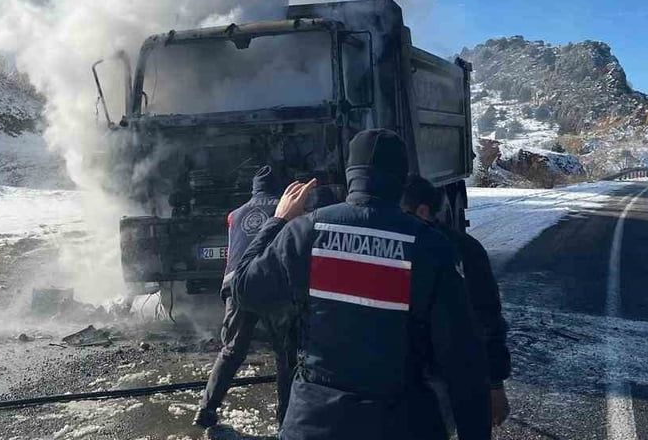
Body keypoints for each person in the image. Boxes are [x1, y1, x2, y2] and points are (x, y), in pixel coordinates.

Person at [232, 129, 492, 440]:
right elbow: (462, 358)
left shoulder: (304, 233)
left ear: (351, 173)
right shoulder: (430, 246)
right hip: (401, 424)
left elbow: (244, 288)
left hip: (314, 425)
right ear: (401, 177)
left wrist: (278, 221)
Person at [400, 175, 511, 432]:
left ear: (423, 211)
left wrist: (495, 384)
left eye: (400, 211)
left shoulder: (462, 252)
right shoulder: (464, 248)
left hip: (444, 380)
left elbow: (488, 321)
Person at [195, 166, 297, 429]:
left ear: (254, 189)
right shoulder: (285, 209)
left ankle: (206, 411)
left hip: (236, 285)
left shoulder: (235, 214)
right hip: (269, 284)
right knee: (285, 354)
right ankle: (284, 422)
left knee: (231, 350)